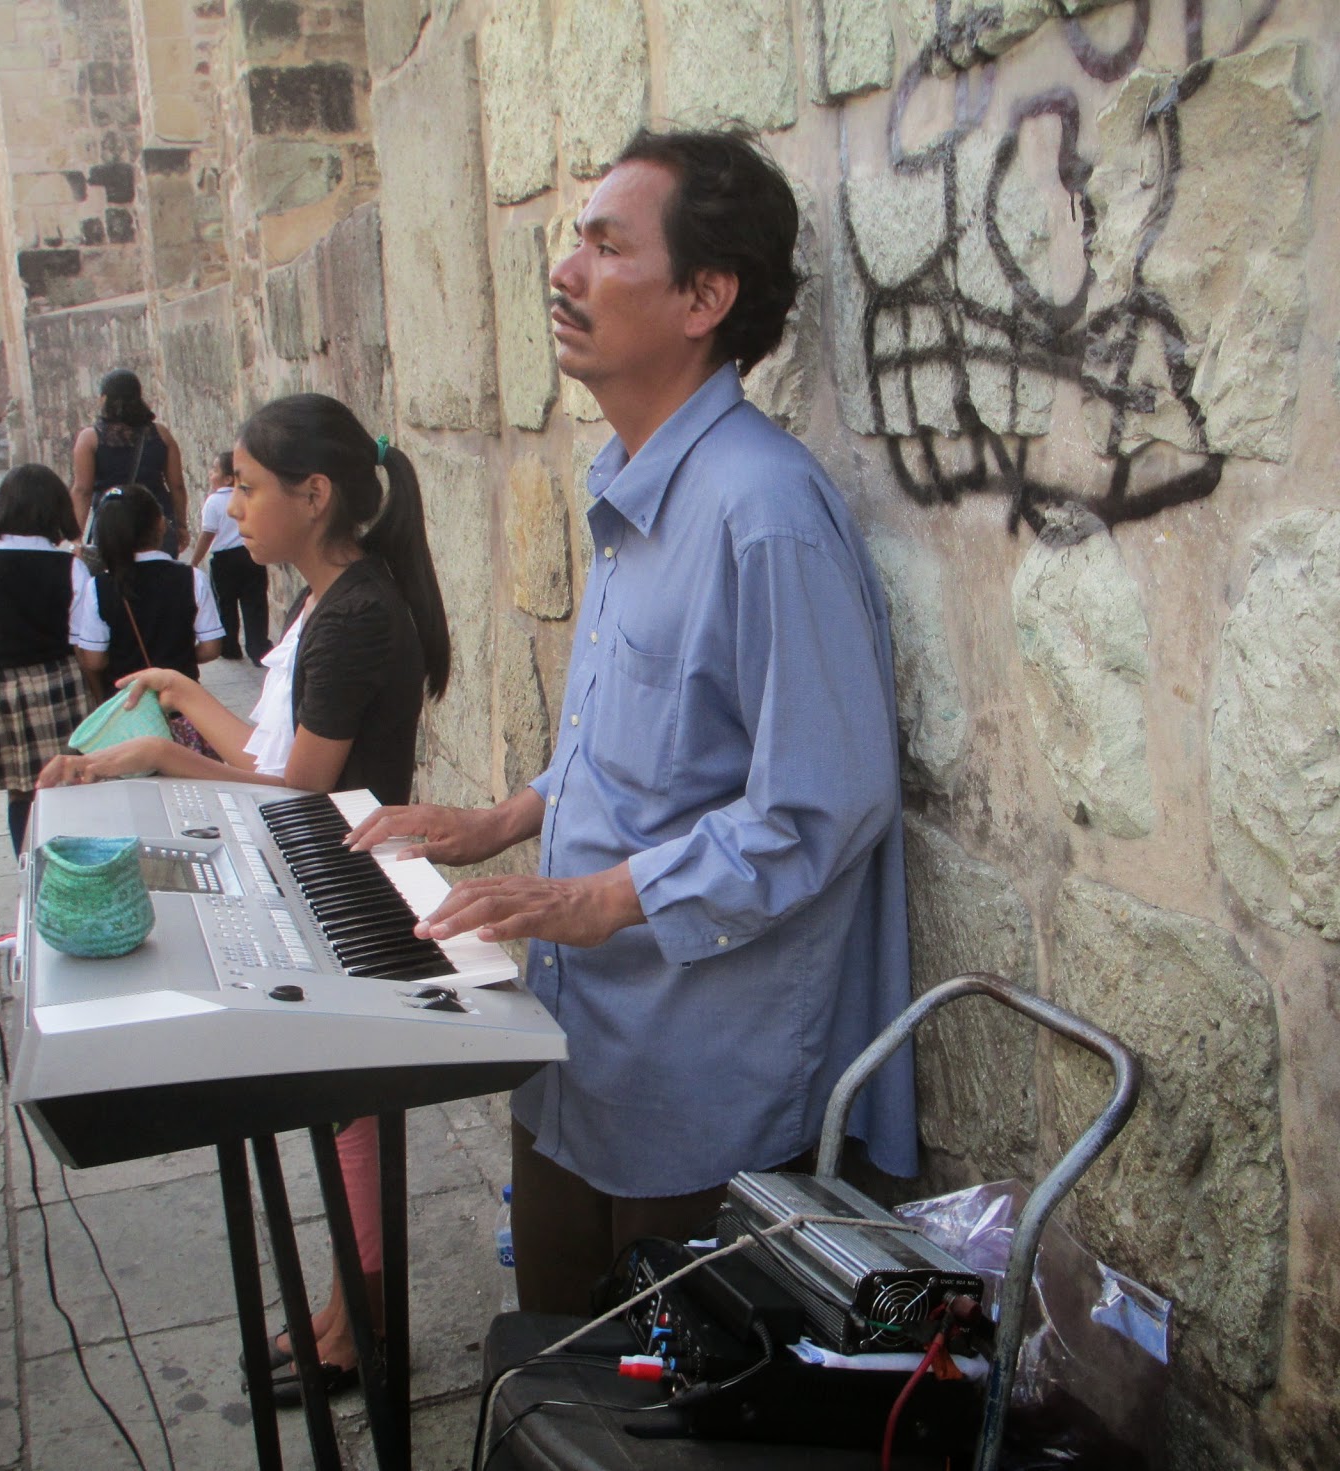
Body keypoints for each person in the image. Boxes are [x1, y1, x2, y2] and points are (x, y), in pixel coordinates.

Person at [348, 126, 918, 1315]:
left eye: (608, 248)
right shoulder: (629, 478)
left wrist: (596, 899)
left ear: (705, 298)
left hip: (698, 1089)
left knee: (652, 1383)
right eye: (576, 242)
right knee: (551, 1353)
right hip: (578, 1049)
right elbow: (643, 745)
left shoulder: (763, 510)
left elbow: (823, 804)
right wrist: (505, 818)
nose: (565, 273)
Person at [40, 392, 450, 1404]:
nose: (229, 503)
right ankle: (346, 1310)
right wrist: (183, 697)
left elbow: (299, 793)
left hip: (342, 890)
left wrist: (161, 759)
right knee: (339, 1116)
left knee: (351, 1119)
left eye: (248, 485)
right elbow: (275, 753)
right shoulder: (329, 600)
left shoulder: (355, 614)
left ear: (314, 496)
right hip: (317, 877)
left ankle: (362, 1323)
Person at [0, 464, 97, 855]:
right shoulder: (71, 567)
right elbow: (80, 635)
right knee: (69, 780)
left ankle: (27, 864)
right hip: (62, 683)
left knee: (21, 790)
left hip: (7, 689)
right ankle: (74, 862)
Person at [75, 483, 223, 701]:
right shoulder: (192, 578)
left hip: (127, 705)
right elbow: (211, 648)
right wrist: (179, 657)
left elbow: (94, 660)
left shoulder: (98, 587)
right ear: (160, 524)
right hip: (182, 702)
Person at [71, 370, 188, 557]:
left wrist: (76, 538)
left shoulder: (89, 439)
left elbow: (82, 490)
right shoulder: (161, 435)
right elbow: (177, 485)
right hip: (156, 524)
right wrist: (181, 525)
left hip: (112, 525)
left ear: (104, 399)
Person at [190, 449, 272, 662]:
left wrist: (194, 561)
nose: (210, 474)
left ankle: (229, 647)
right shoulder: (247, 495)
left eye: (214, 470)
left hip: (224, 561)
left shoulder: (213, 501)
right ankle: (259, 648)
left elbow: (207, 534)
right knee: (255, 603)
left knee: (225, 604)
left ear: (227, 478)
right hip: (250, 555)